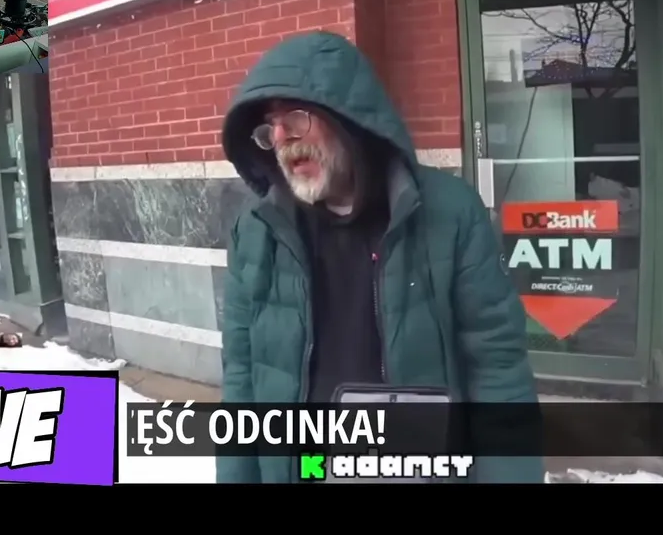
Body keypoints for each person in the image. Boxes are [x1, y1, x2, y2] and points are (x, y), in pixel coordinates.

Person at [218, 31, 542, 484]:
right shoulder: (255, 231)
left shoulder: (450, 215)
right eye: (269, 128)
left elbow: (498, 372)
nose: (282, 138)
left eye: (295, 118)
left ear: (348, 117)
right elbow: (241, 381)